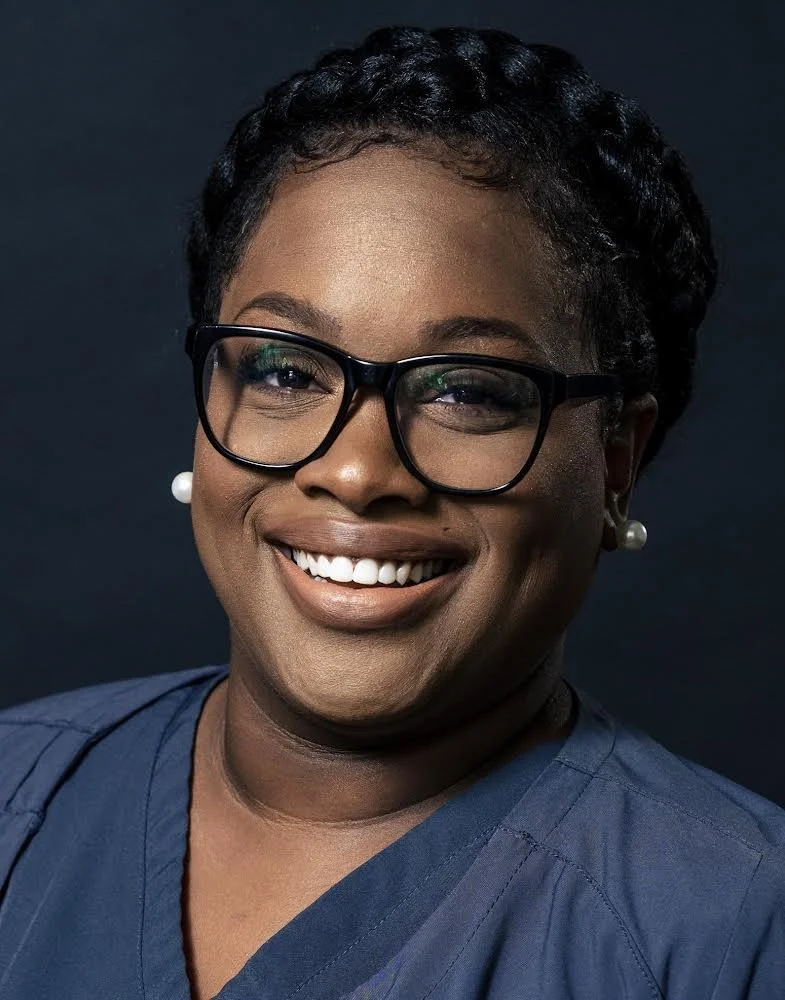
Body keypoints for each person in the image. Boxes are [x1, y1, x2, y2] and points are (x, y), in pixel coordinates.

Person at [0, 24, 782, 1000]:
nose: (357, 470)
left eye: (465, 389)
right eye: (285, 369)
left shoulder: (731, 929)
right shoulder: (16, 796)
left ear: (614, 459)